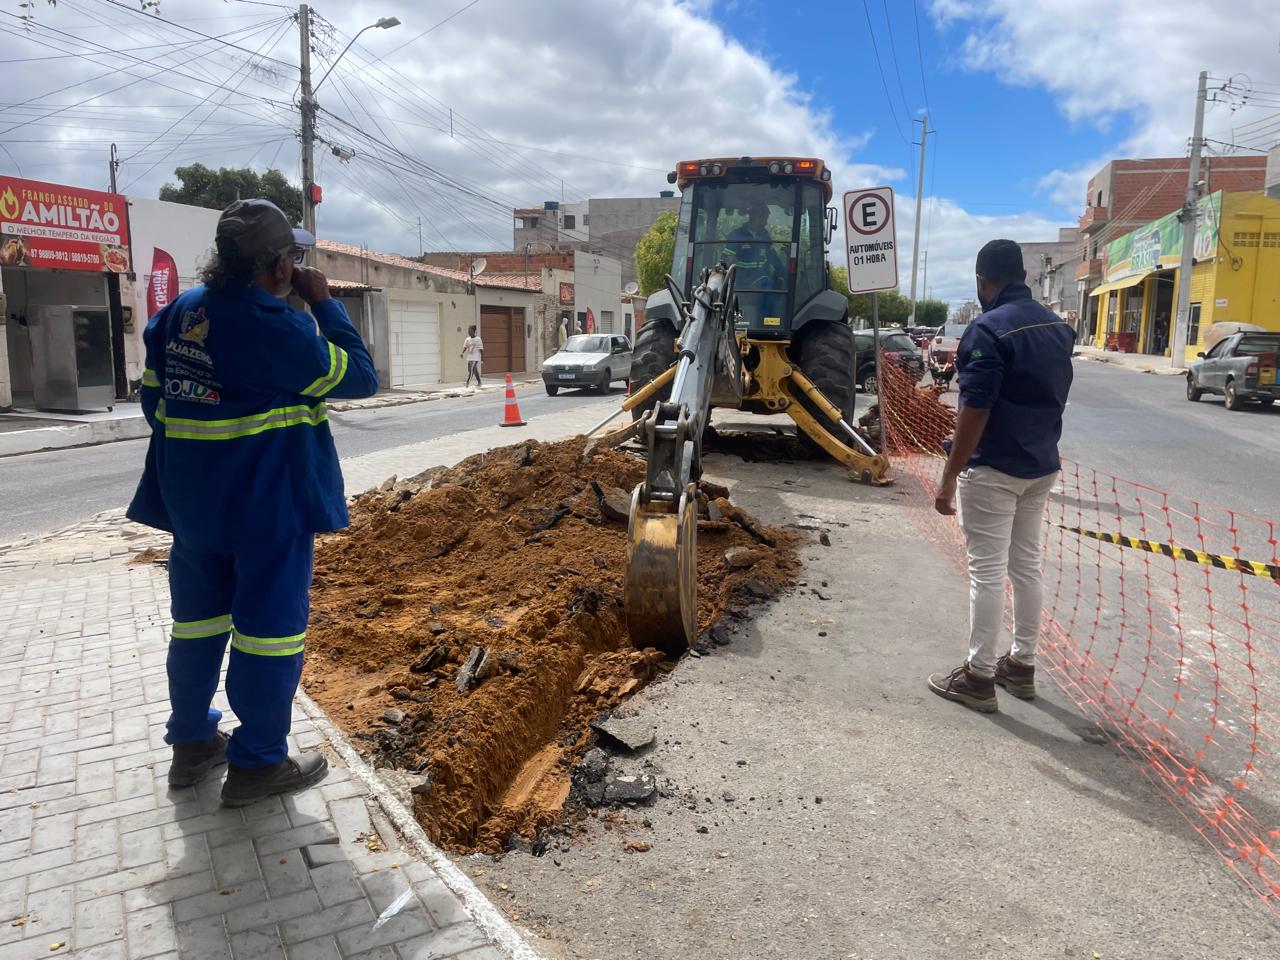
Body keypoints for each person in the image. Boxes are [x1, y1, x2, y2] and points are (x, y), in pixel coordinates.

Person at [127, 199, 379, 805]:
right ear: (280, 265)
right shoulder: (275, 327)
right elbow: (362, 376)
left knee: (196, 626)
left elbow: (154, 402)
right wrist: (324, 303)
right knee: (269, 634)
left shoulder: (181, 312)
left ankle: (192, 743)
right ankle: (259, 762)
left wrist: (205, 452)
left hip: (192, 509)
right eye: (293, 256)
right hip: (266, 513)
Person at [928, 239, 1075, 713]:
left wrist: (948, 476)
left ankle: (978, 676)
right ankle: (1021, 665)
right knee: (1026, 567)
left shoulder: (987, 329)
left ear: (981, 281)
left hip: (993, 468)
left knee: (986, 571)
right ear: (1023, 276)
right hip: (1040, 466)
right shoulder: (1057, 327)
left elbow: (976, 409)